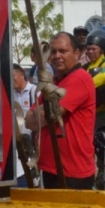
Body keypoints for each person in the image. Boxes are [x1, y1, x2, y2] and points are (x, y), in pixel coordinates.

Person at [26, 32, 96, 189]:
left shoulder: (79, 78)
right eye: (53, 51)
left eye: (63, 51)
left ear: (77, 53)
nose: (57, 56)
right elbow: (29, 121)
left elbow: (50, 114)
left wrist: (41, 113)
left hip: (73, 171)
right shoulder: (55, 82)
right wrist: (42, 113)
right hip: (52, 168)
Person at [84, 29, 105, 128]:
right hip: (88, 112)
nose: (90, 52)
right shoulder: (85, 67)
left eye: (93, 49)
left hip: (104, 113)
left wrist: (82, 87)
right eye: (88, 49)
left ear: (102, 50)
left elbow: (103, 76)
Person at [12, 64, 38, 187]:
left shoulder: (34, 91)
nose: (12, 81)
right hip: (19, 145)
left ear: (22, 74)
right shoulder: (10, 94)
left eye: (13, 77)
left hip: (33, 144)